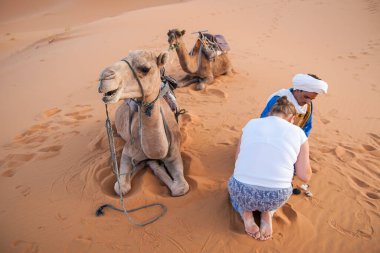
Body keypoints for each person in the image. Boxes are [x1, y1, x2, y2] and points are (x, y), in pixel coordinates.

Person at [228, 96, 312, 240]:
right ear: (292, 119)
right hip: (275, 196)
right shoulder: (299, 133)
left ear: (269, 114)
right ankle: (268, 213)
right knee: (279, 188)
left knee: (233, 188)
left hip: (242, 191)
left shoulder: (251, 124)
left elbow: (237, 160)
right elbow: (305, 176)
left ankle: (246, 214)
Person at [260, 73, 328, 136]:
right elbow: (263, 123)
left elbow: (306, 128)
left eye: (311, 99)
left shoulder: (309, 106)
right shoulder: (278, 100)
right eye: (306, 97)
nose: (308, 102)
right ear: (297, 90)